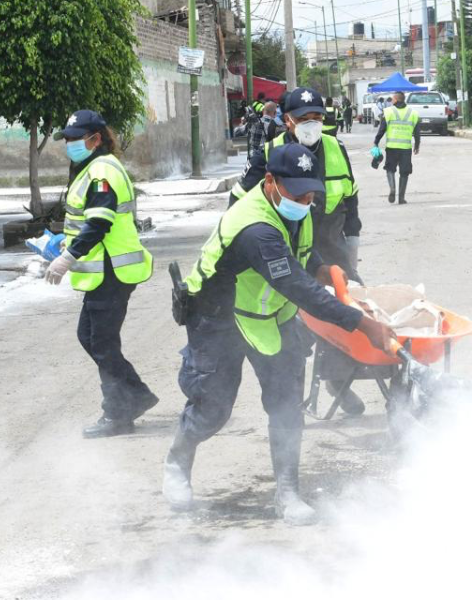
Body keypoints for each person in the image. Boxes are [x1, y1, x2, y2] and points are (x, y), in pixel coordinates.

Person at [163, 144, 395, 523]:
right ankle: (178, 460)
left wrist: (323, 268)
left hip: (269, 313)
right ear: (270, 182)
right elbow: (296, 287)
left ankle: (287, 492)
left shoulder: (296, 204)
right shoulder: (254, 228)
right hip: (219, 316)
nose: (305, 201)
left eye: (310, 193)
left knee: (286, 402)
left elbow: (301, 252)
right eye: (297, 193)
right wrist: (365, 325)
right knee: (214, 407)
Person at [228, 87, 368, 415]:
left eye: (317, 117)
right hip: (283, 252)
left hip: (329, 250)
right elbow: (237, 201)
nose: (312, 124)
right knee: (297, 330)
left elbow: (351, 199)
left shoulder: (335, 148)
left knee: (342, 321)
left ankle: (336, 381)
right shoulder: (269, 153)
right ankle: (289, 401)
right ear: (287, 121)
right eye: (304, 118)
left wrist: (352, 249)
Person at [44, 110, 158, 438]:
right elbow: (87, 221)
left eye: (75, 139)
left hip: (112, 270)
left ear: (95, 139)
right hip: (105, 271)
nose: (70, 145)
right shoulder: (91, 168)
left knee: (103, 343)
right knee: (91, 338)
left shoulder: (102, 171)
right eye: (67, 139)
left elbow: (100, 222)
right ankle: (135, 395)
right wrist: (65, 241)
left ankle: (118, 414)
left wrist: (68, 257)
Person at [373, 91, 421, 204]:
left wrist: (376, 142)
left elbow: (382, 129)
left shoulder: (388, 111)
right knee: (404, 172)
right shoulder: (413, 113)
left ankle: (392, 188)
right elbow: (417, 132)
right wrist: (417, 145)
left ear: (395, 99)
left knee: (390, 169)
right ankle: (401, 198)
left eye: (392, 99)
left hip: (392, 147)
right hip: (406, 148)